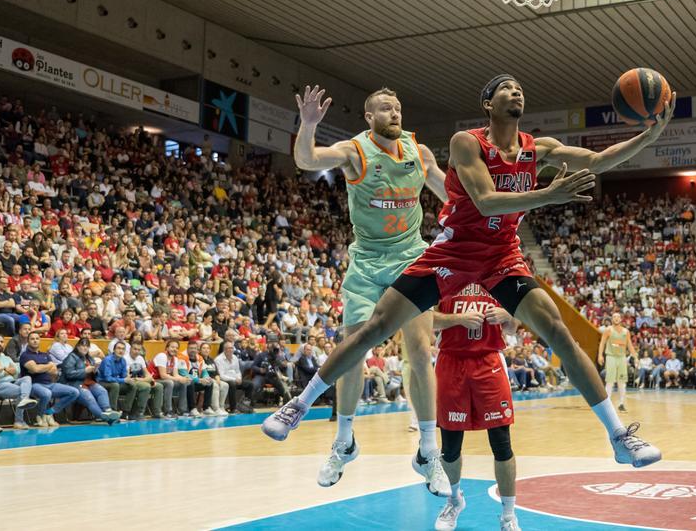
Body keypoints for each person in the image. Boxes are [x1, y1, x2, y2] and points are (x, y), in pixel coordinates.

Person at [264, 75, 673, 475]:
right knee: (373, 329)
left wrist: (646, 139)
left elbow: (599, 160)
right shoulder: (466, 142)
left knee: (557, 330)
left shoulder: (537, 147)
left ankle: (618, 436)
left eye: (520, 88)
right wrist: (549, 195)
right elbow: (486, 201)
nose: (516, 92)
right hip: (455, 252)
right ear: (488, 104)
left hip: (501, 257)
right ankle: (300, 403)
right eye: (506, 88)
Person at [288, 85, 451, 492]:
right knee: (354, 348)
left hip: (412, 255)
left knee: (419, 349)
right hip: (367, 259)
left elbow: (453, 196)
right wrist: (308, 126)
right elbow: (307, 159)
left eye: (397, 107)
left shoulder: (420, 152)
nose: (394, 113)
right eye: (385, 108)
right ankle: (344, 441)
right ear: (369, 117)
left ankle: (429, 451)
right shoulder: (354, 150)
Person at [431, 284, 522, 531]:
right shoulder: (443, 274)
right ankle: (454, 499)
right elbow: (427, 320)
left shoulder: (498, 276)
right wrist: (458, 319)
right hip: (451, 361)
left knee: (502, 444)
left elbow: (513, 327)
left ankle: (508, 515)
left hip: (489, 361)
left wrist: (508, 316)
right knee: (450, 446)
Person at [20, 331, 78, 427]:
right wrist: (48, 366)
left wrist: (39, 368)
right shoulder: (25, 355)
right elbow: (35, 369)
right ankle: (39, 415)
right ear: (28, 341)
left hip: (50, 384)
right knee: (47, 393)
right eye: (32, 339)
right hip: (34, 385)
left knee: (74, 392)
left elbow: (54, 371)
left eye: (37, 339)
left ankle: (49, 412)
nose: (35, 341)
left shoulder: (45, 355)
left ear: (40, 340)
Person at [0, 334, 38, 429]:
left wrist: (6, 370)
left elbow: (17, 371)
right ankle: (19, 421)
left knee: (27, 378)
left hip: (12, 382)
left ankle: (24, 399)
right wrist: (8, 371)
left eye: (1, 342)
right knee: (22, 391)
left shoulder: (6, 358)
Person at [60, 337, 121, 424]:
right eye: (83, 345)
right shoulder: (71, 357)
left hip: (89, 383)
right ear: (77, 347)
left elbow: (95, 375)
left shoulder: (89, 358)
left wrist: (95, 371)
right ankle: (104, 417)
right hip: (75, 384)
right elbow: (68, 374)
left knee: (102, 391)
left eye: (87, 346)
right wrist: (84, 371)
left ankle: (108, 411)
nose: (85, 348)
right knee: (89, 398)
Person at [97, 340, 151, 420]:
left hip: (115, 381)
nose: (121, 350)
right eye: (118, 348)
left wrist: (128, 378)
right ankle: (112, 412)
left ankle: (125, 412)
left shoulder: (123, 361)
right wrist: (124, 380)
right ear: (114, 350)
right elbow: (108, 378)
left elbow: (124, 376)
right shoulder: (107, 360)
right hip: (102, 382)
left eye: (123, 349)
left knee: (132, 385)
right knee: (115, 385)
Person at [597, 312, 637, 412]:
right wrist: (600, 355)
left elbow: (630, 345)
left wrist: (635, 357)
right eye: (614, 317)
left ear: (621, 319)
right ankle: (607, 405)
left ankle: (621, 404)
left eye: (618, 317)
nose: (616, 318)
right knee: (610, 381)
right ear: (612, 319)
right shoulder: (608, 330)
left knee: (621, 382)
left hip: (622, 358)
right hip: (611, 357)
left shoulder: (626, 331)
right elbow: (602, 343)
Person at [214, 340, 251, 413]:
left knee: (250, 385)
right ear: (224, 349)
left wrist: (239, 378)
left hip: (236, 379)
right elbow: (221, 375)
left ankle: (246, 406)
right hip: (225, 380)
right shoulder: (218, 359)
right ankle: (233, 408)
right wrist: (234, 379)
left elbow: (237, 371)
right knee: (232, 384)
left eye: (232, 348)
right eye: (229, 348)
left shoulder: (235, 357)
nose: (231, 350)